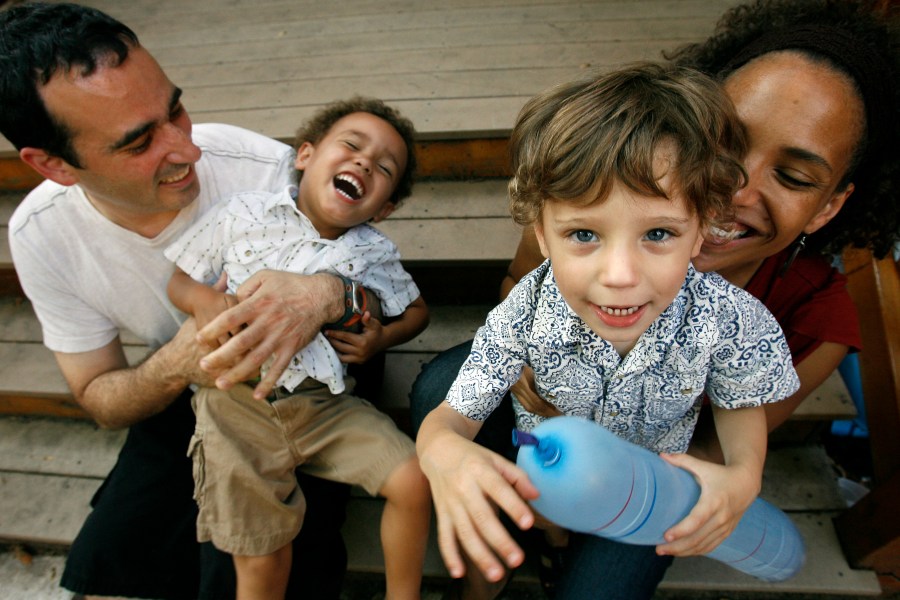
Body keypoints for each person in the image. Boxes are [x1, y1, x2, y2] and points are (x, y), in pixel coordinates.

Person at [409, 0, 900, 596]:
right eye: (725, 145)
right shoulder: (583, 202)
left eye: (793, 177)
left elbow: (734, 427)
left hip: (648, 476)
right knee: (449, 393)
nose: (732, 190)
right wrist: (454, 444)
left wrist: (737, 480)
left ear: (829, 207)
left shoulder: (760, 320)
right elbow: (481, 373)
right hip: (542, 439)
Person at [1, 3, 374, 598]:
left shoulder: (265, 174)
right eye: (140, 141)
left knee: (253, 562)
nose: (187, 149)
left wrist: (324, 294)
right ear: (53, 165)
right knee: (109, 562)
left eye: (174, 108)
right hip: (184, 388)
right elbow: (100, 396)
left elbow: (379, 285)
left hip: (305, 380)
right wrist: (181, 359)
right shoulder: (41, 235)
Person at [165, 97, 432, 600]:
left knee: (413, 479)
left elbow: (418, 312)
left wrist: (382, 337)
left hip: (323, 405)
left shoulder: (373, 252)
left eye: (382, 168)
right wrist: (204, 302)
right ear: (305, 155)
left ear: (386, 206)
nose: (363, 163)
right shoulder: (243, 213)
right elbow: (180, 280)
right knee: (265, 557)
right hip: (236, 403)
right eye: (351, 146)